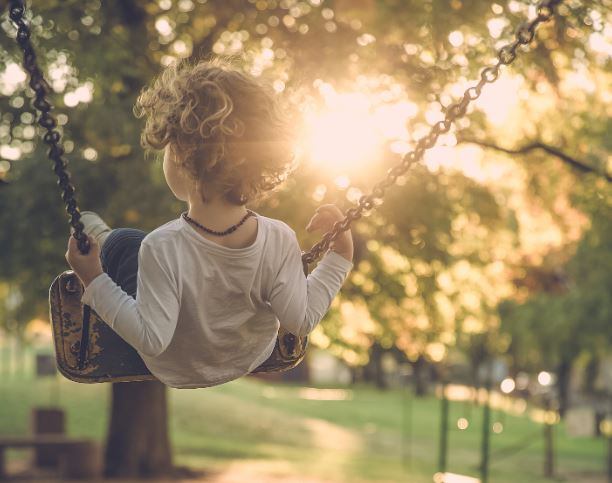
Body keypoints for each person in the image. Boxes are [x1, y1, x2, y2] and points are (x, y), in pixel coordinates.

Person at [65, 59, 353, 389]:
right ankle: (100, 234)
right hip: (248, 356)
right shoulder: (279, 238)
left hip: (176, 366)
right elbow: (301, 320)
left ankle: (99, 236)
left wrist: (93, 278)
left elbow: (151, 339)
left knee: (123, 242)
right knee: (133, 245)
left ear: (183, 153)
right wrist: (339, 259)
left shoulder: (161, 247)